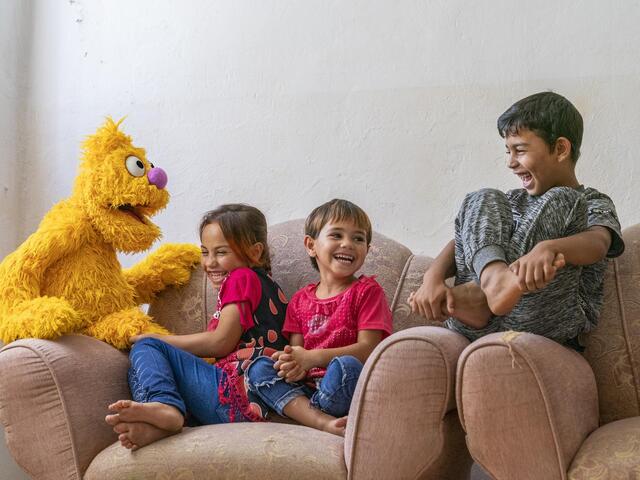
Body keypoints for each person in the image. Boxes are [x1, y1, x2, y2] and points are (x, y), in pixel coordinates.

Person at [410, 92, 625, 350]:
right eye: (508, 151)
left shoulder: (592, 200)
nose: (511, 162)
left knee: (564, 199)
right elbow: (461, 243)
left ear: (560, 149)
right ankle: (490, 283)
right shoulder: (510, 202)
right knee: (483, 197)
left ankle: (485, 291)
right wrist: (431, 279)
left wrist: (550, 248)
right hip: (473, 321)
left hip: (540, 320)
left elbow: (598, 242)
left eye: (520, 150)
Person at [105, 204, 289, 450]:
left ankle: (166, 407)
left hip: (236, 398)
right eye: (205, 252)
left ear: (254, 253)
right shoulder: (270, 287)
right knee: (143, 370)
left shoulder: (241, 277)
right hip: (252, 401)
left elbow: (220, 342)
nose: (210, 262)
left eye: (221, 252)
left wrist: (159, 340)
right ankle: (159, 426)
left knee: (147, 347)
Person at [246, 199, 392, 436]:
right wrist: (293, 367)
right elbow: (297, 355)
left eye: (358, 238)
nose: (348, 244)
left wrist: (312, 358)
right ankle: (318, 419)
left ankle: (309, 415)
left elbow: (370, 349)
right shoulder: (300, 301)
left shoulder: (367, 292)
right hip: (306, 390)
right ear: (311, 245)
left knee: (346, 366)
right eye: (337, 235)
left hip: (343, 386)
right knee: (260, 367)